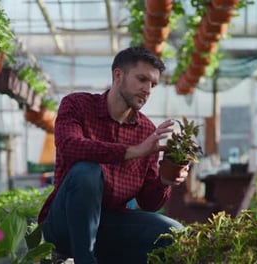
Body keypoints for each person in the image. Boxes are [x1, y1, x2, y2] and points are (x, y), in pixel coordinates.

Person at [38, 46, 188, 263]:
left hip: (109, 227)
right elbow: (69, 145)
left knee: (173, 233)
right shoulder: (77, 105)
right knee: (87, 171)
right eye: (142, 79)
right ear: (118, 75)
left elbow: (148, 203)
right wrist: (131, 151)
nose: (148, 89)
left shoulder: (146, 130)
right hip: (65, 225)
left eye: (153, 84)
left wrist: (164, 181)